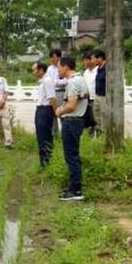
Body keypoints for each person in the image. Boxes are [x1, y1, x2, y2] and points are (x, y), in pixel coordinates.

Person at [53, 56, 88, 200]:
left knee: (71, 156)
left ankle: (75, 190)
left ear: (66, 67)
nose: (58, 71)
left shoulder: (73, 82)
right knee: (73, 155)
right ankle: (74, 186)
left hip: (72, 121)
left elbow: (72, 105)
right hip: (78, 121)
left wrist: (60, 110)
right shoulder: (80, 79)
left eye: (59, 67)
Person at [32, 61, 56, 167]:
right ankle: (43, 162)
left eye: (34, 70)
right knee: (40, 136)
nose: (33, 72)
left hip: (45, 110)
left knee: (44, 137)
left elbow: (52, 98)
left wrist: (56, 112)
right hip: (40, 109)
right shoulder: (41, 81)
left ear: (41, 70)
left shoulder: (47, 81)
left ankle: (47, 161)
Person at [47, 48, 66, 133]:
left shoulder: (64, 66)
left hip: (62, 93)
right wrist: (57, 83)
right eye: (50, 57)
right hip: (53, 94)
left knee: (63, 114)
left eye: (53, 57)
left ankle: (65, 134)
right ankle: (55, 135)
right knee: (53, 115)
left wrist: (56, 83)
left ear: (59, 57)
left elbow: (66, 81)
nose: (51, 59)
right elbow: (49, 82)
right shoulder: (49, 69)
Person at [82, 51, 99, 135]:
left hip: (96, 98)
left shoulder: (98, 71)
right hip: (87, 99)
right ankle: (90, 136)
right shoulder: (86, 72)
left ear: (91, 60)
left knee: (97, 119)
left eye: (85, 60)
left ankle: (99, 136)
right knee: (88, 120)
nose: (84, 63)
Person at [92, 49, 107, 128]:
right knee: (96, 113)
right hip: (97, 95)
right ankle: (101, 129)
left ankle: (105, 131)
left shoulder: (107, 67)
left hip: (104, 96)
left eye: (94, 59)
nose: (93, 61)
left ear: (100, 58)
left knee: (104, 115)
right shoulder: (99, 68)